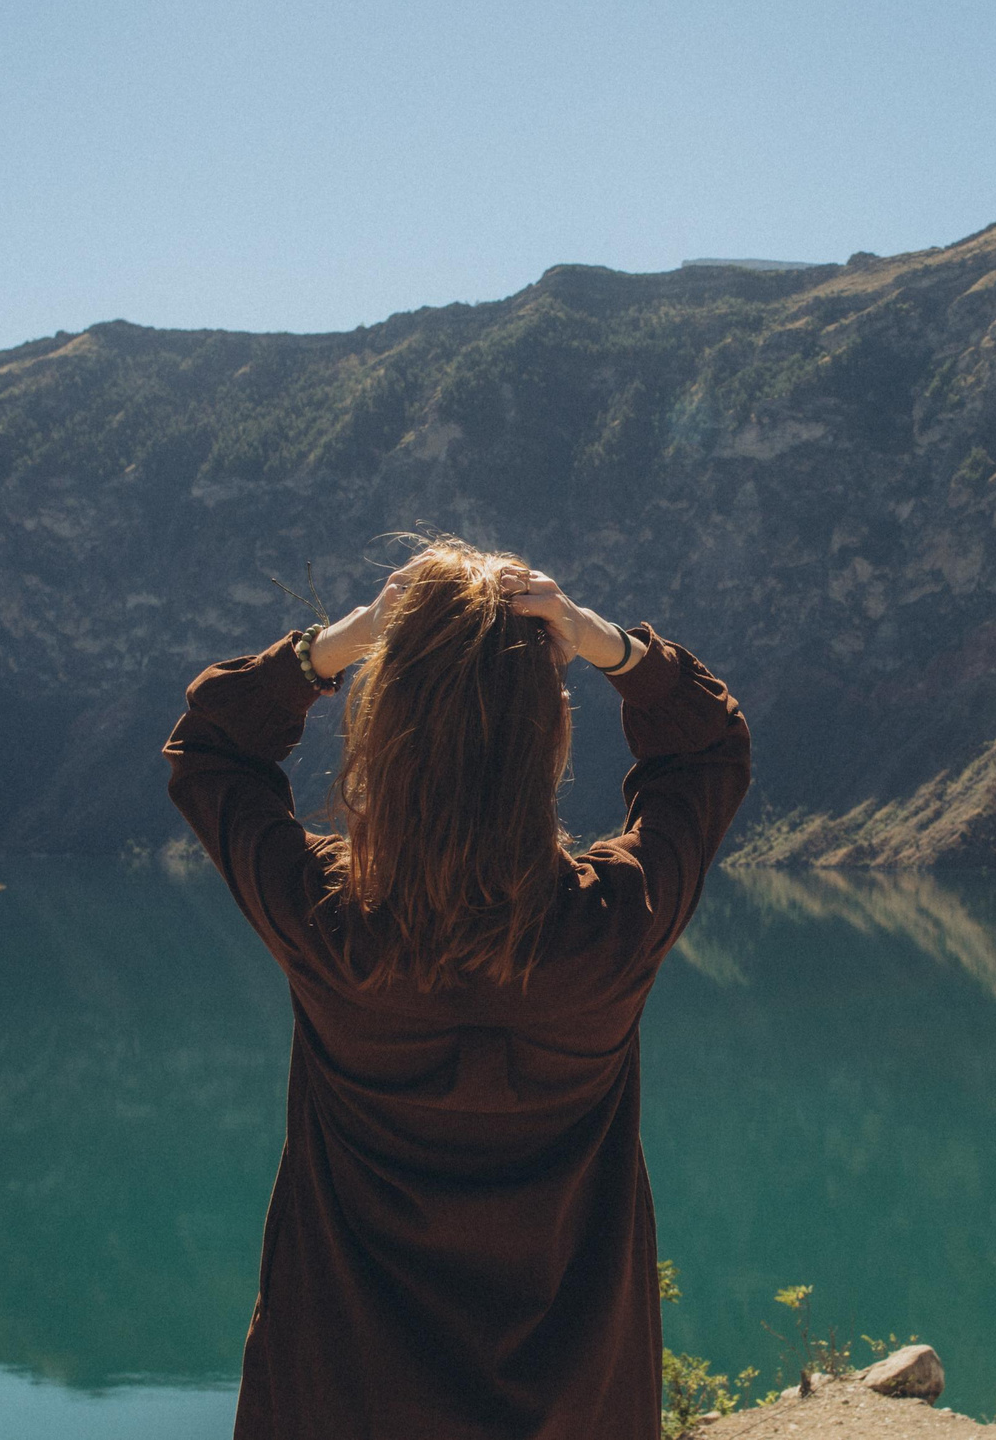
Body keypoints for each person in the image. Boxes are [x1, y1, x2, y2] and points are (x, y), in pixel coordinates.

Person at [162, 535, 751, 1439]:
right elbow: (708, 752)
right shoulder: (611, 927)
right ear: (550, 732)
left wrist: (340, 643)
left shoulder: (332, 924)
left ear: (386, 731)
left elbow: (211, 749)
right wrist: (608, 645)